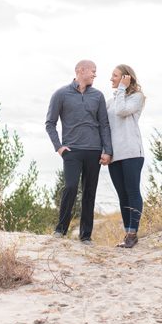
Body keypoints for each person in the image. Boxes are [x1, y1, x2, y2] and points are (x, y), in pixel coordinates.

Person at [46, 59, 113, 244]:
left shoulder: (98, 96)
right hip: (72, 151)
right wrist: (58, 147)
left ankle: (86, 236)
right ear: (80, 70)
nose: (95, 74)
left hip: (94, 150)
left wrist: (107, 150)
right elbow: (50, 123)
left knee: (89, 192)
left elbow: (104, 125)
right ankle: (60, 230)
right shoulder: (60, 94)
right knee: (70, 187)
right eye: (93, 71)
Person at [106, 64, 146, 249]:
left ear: (126, 78)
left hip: (131, 152)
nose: (111, 79)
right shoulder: (111, 101)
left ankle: (132, 233)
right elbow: (106, 127)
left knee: (132, 192)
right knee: (122, 195)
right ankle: (127, 232)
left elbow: (121, 111)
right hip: (115, 155)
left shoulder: (136, 98)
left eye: (115, 76)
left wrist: (122, 88)